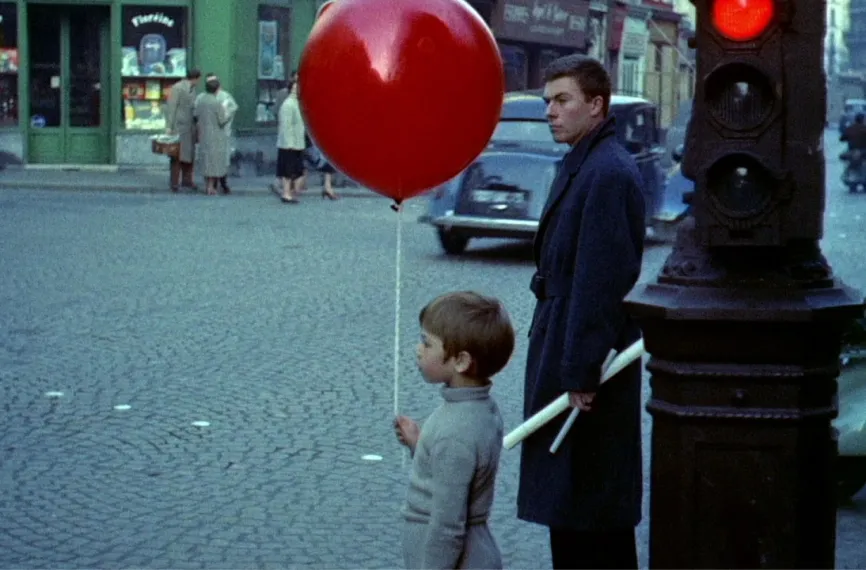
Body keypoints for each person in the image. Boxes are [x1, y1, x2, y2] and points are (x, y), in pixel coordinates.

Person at [517, 55, 646, 570]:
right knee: (571, 501)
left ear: (596, 105)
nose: (550, 111)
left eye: (562, 100)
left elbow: (601, 281)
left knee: (589, 503)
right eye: (547, 100)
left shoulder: (608, 173)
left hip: (588, 361)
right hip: (567, 344)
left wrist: (581, 372)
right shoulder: (584, 162)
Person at [394, 291, 515, 570]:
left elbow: (448, 524)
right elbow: (455, 471)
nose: (418, 349)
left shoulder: (454, 432)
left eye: (427, 342)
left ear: (460, 361)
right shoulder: (480, 410)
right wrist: (420, 445)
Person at [195, 73, 238, 194]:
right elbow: (224, 118)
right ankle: (211, 185)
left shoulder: (223, 96)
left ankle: (220, 183)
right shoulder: (205, 98)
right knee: (214, 159)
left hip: (212, 133)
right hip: (217, 132)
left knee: (215, 159)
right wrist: (226, 115)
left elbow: (233, 107)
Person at [166, 69, 201, 192]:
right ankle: (174, 182)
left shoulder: (192, 88)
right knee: (177, 156)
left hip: (190, 126)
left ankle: (187, 180)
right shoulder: (178, 88)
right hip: (179, 127)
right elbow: (172, 107)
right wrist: (169, 127)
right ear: (196, 78)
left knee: (189, 155)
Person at [275, 79, 306, 203]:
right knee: (288, 171)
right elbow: (285, 126)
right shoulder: (288, 104)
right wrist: (289, 144)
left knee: (296, 171)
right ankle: (286, 193)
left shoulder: (297, 103)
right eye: (294, 88)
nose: (296, 90)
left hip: (297, 143)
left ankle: (289, 192)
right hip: (289, 144)